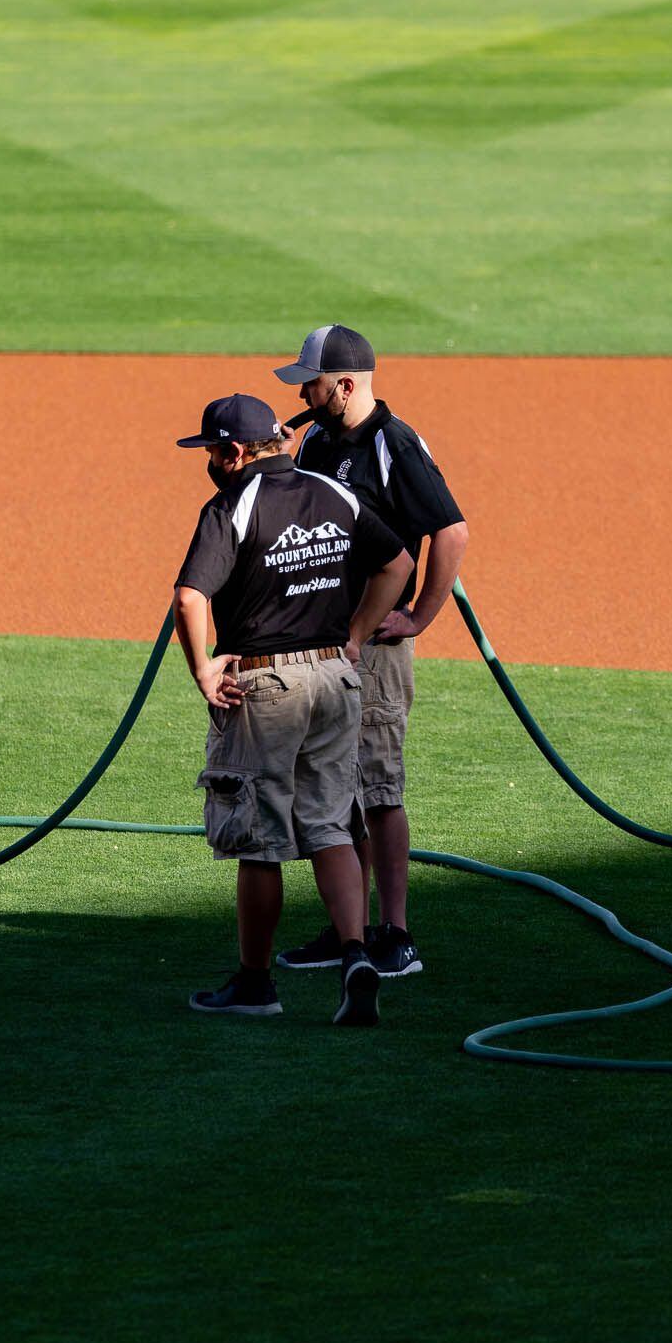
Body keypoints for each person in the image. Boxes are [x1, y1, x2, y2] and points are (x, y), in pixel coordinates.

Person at [172, 394, 414, 1025]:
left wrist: (202, 667)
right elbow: (398, 563)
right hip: (336, 678)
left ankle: (256, 985)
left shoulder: (230, 505)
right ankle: (356, 953)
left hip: (265, 685)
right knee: (333, 824)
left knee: (259, 839)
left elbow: (189, 599)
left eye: (210, 452)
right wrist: (356, 634)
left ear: (233, 451)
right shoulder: (333, 492)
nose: (208, 464)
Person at [265, 326, 469, 983]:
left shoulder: (394, 444)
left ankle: (396, 933)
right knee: (334, 789)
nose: (305, 391)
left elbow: (452, 530)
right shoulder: (319, 441)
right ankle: (347, 928)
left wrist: (419, 615)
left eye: (313, 381)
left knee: (379, 788)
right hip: (321, 642)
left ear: (345, 384)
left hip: (375, 645)